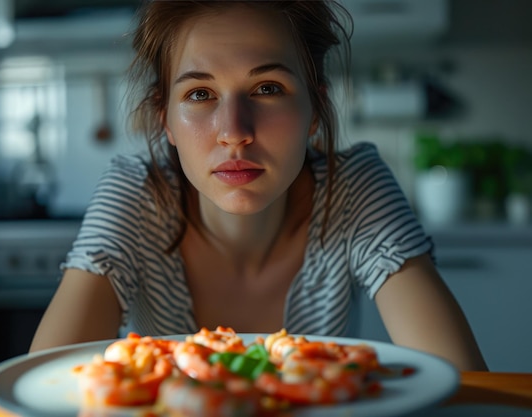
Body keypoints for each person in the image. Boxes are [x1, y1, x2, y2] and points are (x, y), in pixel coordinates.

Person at [30, 0, 487, 372]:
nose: (233, 131)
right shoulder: (137, 194)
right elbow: (45, 377)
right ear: (164, 117)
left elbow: (463, 386)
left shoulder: (353, 188)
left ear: (315, 108)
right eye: (200, 94)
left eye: (267, 88)